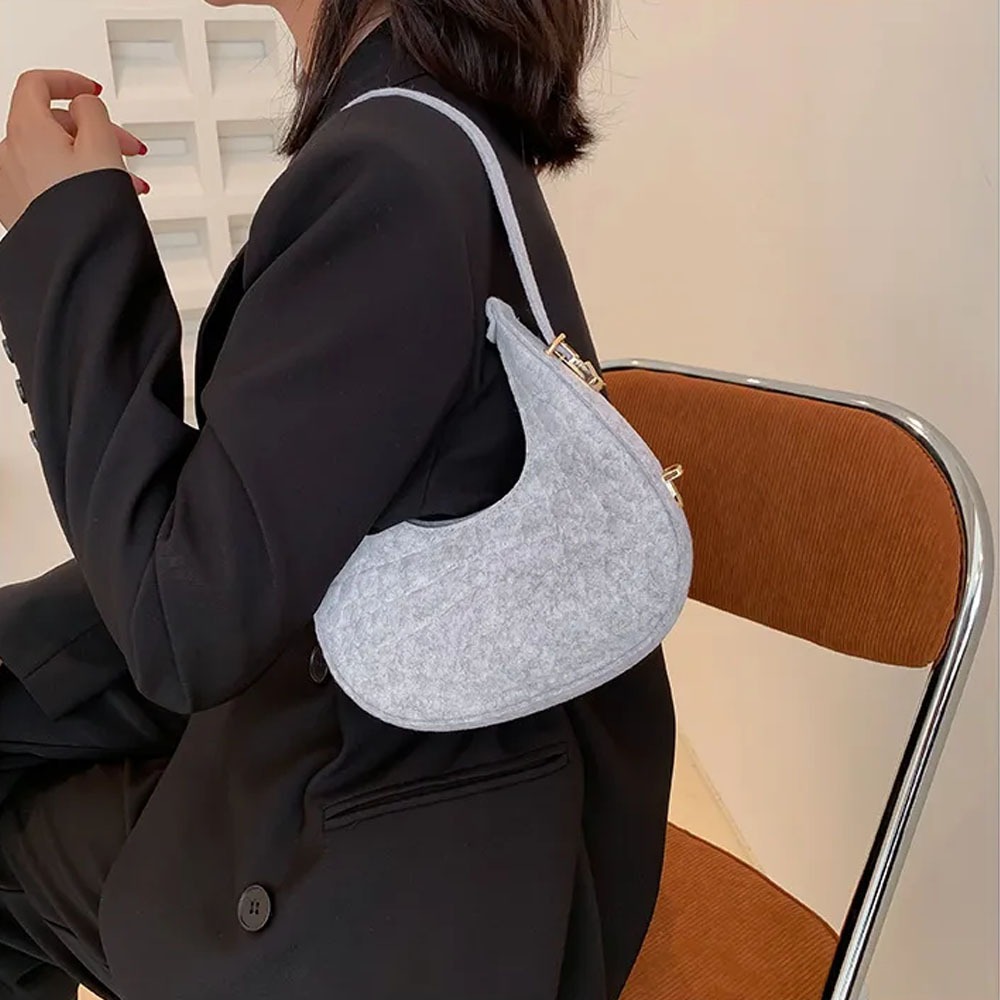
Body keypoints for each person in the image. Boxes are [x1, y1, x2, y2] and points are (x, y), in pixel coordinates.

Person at [0, 3, 677, 998]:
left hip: (430, 875)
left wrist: (65, 240)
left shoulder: (392, 171)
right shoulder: (429, 129)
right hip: (426, 748)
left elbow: (183, 629)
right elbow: (264, 506)